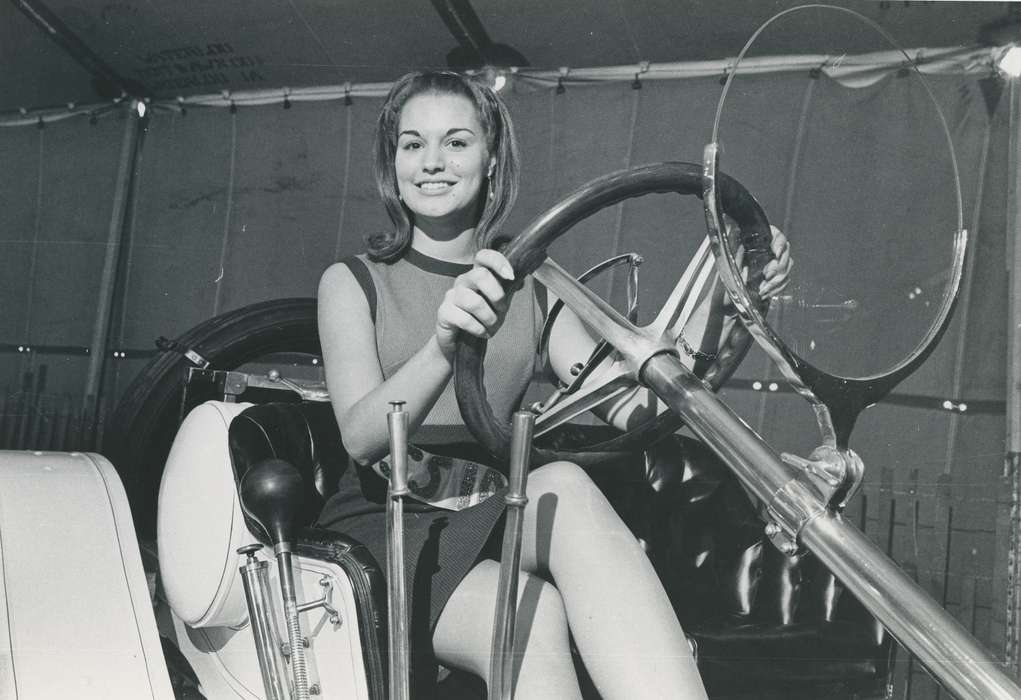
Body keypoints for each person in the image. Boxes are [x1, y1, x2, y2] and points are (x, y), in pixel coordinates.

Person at [316, 70, 792, 699]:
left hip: (490, 505)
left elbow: (641, 404)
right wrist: (443, 345)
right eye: (412, 144)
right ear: (392, 163)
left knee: (551, 542)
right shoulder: (352, 282)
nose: (431, 162)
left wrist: (727, 299)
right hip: (390, 519)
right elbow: (359, 437)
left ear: (491, 161)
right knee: (535, 590)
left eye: (456, 143)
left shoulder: (532, 289)